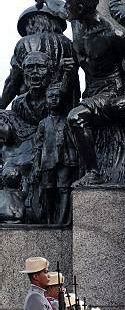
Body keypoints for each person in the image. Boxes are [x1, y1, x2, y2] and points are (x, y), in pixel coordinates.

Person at [32, 0, 125, 186]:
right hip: (90, 91)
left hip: (111, 90)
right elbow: (56, 6)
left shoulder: (114, 34)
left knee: (75, 117)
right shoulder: (75, 20)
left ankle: (93, 173)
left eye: (68, 4)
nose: (66, 7)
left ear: (80, 8)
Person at [0, 5, 79, 110]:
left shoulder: (24, 43)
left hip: (31, 105)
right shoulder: (69, 43)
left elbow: (13, 80)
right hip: (63, 105)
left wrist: (2, 106)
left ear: (33, 22)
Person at [34, 83, 78, 224]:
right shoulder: (43, 123)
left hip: (65, 161)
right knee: (48, 190)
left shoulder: (67, 121)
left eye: (57, 96)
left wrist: (76, 161)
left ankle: (61, 221)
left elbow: (74, 142)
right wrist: (36, 165)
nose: (54, 99)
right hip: (47, 162)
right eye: (50, 97)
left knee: (63, 189)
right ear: (46, 100)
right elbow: (38, 147)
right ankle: (49, 220)